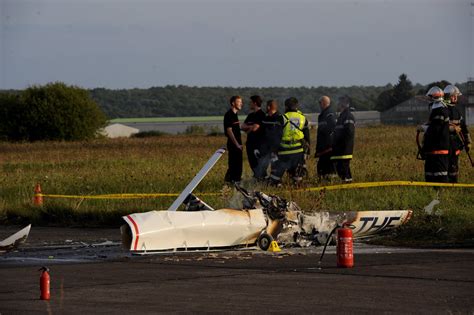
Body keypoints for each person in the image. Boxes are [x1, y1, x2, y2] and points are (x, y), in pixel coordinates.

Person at [269, 97, 310, 186]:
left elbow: (276, 137)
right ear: (296, 106)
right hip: (298, 152)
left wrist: (273, 151)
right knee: (297, 178)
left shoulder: (282, 118)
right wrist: (307, 152)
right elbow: (307, 137)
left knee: (276, 178)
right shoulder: (303, 118)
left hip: (284, 152)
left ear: (286, 107)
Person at [420, 86, 450, 183]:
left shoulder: (440, 111)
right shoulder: (438, 110)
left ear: (434, 98)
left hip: (439, 151)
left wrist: (423, 128)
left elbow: (436, 130)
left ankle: (440, 196)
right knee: (430, 176)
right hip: (433, 151)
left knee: (439, 177)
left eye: (429, 98)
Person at [443, 85, 471, 183]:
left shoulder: (457, 111)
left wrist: (468, 142)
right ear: (447, 97)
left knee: (454, 166)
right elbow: (439, 127)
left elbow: (464, 127)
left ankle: (454, 184)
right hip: (444, 143)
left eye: (456, 96)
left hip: (455, 144)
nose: (455, 98)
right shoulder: (442, 110)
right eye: (452, 96)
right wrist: (452, 128)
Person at [254, 100, 282, 179]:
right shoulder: (266, 119)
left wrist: (276, 149)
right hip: (265, 149)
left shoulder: (279, 118)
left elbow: (280, 135)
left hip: (275, 149)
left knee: (275, 168)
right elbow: (261, 134)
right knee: (262, 168)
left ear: (269, 107)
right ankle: (264, 181)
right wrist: (258, 147)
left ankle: (275, 183)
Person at [330, 95, 355, 182]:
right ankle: (347, 184)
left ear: (343, 104)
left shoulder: (348, 116)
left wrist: (339, 141)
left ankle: (348, 185)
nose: (337, 104)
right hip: (339, 150)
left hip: (344, 150)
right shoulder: (341, 116)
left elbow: (349, 132)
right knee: (341, 170)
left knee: (344, 170)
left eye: (339, 103)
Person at [241, 95, 266, 176]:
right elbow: (242, 126)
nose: (249, 104)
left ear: (255, 103)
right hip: (250, 144)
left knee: (258, 164)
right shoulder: (250, 115)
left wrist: (249, 128)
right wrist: (251, 127)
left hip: (258, 145)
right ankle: (257, 177)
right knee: (252, 163)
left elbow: (255, 128)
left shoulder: (261, 114)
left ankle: (261, 179)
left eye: (250, 103)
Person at [315, 95, 336, 179]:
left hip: (328, 149)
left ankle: (330, 183)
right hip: (323, 149)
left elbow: (332, 131)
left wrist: (330, 146)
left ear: (323, 103)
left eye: (319, 103)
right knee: (321, 168)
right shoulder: (322, 115)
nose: (319, 105)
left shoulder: (329, 115)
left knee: (328, 169)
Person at [223, 95, 243, 183]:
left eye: (241, 102)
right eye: (239, 102)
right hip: (233, 144)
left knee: (238, 165)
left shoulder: (235, 115)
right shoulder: (229, 114)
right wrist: (236, 144)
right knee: (234, 165)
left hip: (238, 144)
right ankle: (231, 181)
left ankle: (235, 180)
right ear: (233, 103)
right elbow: (229, 131)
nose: (241, 104)